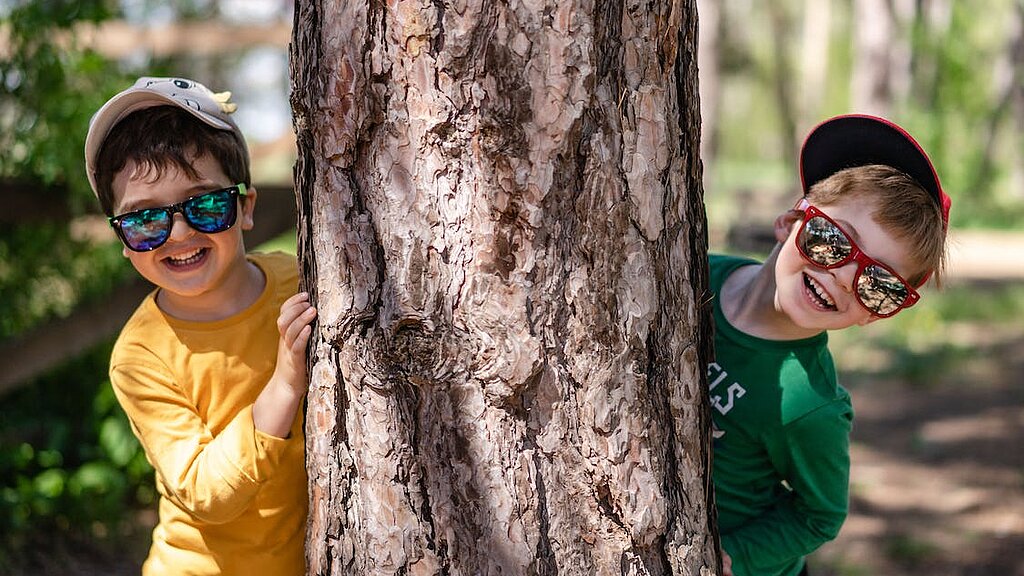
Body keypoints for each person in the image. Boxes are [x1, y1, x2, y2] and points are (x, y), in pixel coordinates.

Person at [84, 77, 316, 575]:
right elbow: (204, 492)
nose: (181, 233)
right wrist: (285, 385)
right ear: (123, 240)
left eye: (205, 205)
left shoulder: (299, 280)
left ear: (245, 207)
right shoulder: (141, 356)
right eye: (146, 221)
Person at [709, 114, 951, 576]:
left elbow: (820, 515)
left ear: (874, 314)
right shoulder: (696, 274)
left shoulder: (810, 405)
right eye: (832, 240)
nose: (842, 277)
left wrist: (733, 556)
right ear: (790, 221)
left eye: (877, 283)